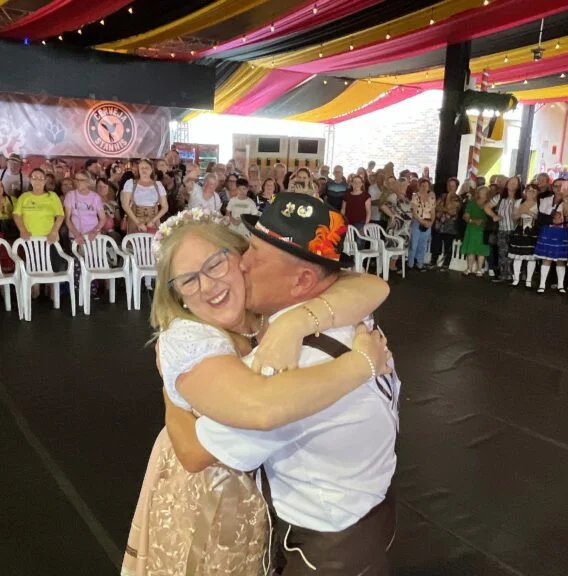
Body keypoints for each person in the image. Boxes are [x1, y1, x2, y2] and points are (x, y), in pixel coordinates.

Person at [123, 206, 391, 576]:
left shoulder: (276, 316)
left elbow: (371, 284)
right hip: (210, 490)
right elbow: (197, 451)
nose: (208, 285)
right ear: (178, 294)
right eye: (188, 280)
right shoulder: (192, 338)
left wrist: (296, 323)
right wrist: (360, 364)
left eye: (218, 263)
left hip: (286, 500)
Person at [533, 181, 568, 293]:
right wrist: (553, 220)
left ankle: (560, 285)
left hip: (562, 231)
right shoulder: (545, 199)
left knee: (560, 259)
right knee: (546, 258)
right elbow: (541, 216)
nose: (559, 188)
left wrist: (565, 199)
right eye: (556, 186)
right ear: (552, 187)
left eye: (561, 186)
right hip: (548, 230)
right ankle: (542, 284)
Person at [484, 176, 521, 282]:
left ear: (518, 186)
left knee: (514, 254)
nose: (512, 184)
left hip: (515, 230)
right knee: (503, 253)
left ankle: (514, 275)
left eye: (515, 183)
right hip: (503, 229)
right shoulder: (500, 197)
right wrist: (494, 215)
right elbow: (487, 207)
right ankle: (504, 275)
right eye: (511, 182)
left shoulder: (520, 199)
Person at [14, 168, 64, 242]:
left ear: (45, 181)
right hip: (29, 239)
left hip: (49, 239)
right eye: (34, 177)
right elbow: (17, 215)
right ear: (30, 180)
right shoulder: (24, 197)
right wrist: (22, 230)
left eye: (41, 178)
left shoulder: (52, 196)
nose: (38, 180)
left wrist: (53, 233)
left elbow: (60, 216)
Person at [121, 159, 168, 234]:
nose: (144, 170)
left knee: (153, 240)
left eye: (146, 167)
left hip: (153, 223)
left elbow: (165, 207)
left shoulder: (158, 185)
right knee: (136, 240)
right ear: (138, 170)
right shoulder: (131, 183)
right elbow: (125, 205)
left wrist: (153, 221)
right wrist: (138, 222)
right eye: (141, 168)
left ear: (151, 170)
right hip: (135, 222)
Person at [509, 183, 540, 287]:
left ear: (537, 193)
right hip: (520, 228)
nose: (531, 193)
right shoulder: (519, 201)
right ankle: (516, 278)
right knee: (518, 255)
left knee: (531, 256)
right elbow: (514, 217)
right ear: (525, 192)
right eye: (529, 190)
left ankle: (528, 280)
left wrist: (528, 211)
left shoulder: (539, 203)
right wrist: (519, 212)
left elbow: (540, 218)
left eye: (533, 191)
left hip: (533, 229)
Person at [63, 172, 107, 244]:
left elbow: (103, 218)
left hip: (93, 236)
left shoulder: (95, 197)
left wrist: (95, 231)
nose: (78, 182)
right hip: (76, 235)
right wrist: (76, 234)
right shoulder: (70, 195)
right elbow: (67, 219)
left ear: (88, 182)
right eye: (76, 179)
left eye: (81, 180)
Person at [461, 186, 491, 277]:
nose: (484, 193)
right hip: (472, 229)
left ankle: (479, 269)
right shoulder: (471, 203)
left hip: (484, 230)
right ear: (478, 193)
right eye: (482, 191)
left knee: (481, 250)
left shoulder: (489, 204)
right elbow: (465, 216)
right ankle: (469, 268)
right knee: (470, 249)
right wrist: (473, 221)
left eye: (486, 192)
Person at [407, 179, 435, 271]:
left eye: (426, 186)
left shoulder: (431, 198)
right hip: (417, 222)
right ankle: (410, 264)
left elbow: (433, 212)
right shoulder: (415, 197)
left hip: (428, 223)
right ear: (419, 186)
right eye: (422, 186)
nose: (424, 188)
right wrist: (422, 221)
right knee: (413, 245)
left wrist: (431, 222)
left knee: (423, 245)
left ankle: (420, 264)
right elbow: (414, 212)